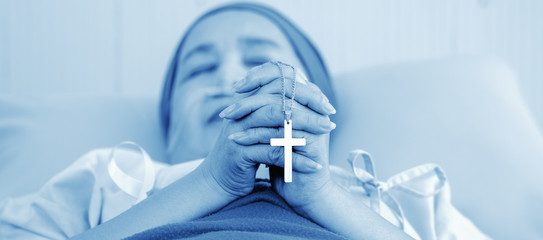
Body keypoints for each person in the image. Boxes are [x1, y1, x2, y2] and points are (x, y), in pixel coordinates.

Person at [0, 3, 413, 240]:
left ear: (320, 104)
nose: (229, 79)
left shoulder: (384, 194)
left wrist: (323, 195)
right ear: (170, 124)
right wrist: (208, 182)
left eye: (257, 62)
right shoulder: (107, 176)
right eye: (198, 70)